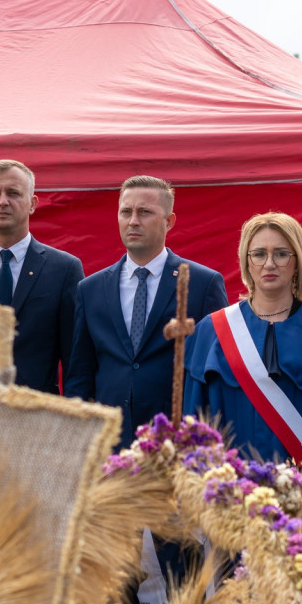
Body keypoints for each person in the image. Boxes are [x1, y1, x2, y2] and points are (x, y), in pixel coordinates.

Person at [185, 212, 302, 464]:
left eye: (281, 254)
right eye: (259, 254)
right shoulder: (212, 332)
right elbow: (193, 425)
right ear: (246, 262)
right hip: (230, 491)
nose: (269, 263)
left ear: (297, 262)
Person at [65, 175, 227, 448]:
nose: (133, 221)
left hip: (177, 442)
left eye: (145, 212)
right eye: (126, 212)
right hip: (109, 443)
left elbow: (217, 368)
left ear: (169, 220)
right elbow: (80, 374)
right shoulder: (90, 289)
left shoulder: (202, 283)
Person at [0, 159, 84, 393]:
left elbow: (75, 358)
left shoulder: (64, 269)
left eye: (14, 193)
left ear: (32, 203)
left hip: (38, 415)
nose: (3, 201)